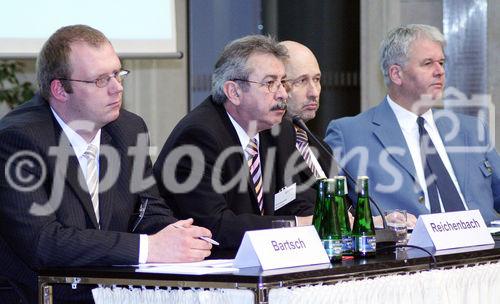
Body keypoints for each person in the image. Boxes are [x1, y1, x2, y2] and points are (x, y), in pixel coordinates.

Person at [0, 25, 212, 303]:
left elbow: (147, 209)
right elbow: (43, 242)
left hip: (112, 291)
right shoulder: (19, 139)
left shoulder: (129, 128)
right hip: (38, 295)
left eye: (117, 73)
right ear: (60, 89)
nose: (117, 88)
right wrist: (148, 248)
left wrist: (175, 235)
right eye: (101, 80)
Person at [325, 24, 500, 226]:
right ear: (396, 74)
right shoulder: (350, 134)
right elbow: (330, 214)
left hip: (485, 250)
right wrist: (377, 223)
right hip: (411, 253)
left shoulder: (470, 130)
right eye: (428, 63)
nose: (440, 71)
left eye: (442, 62)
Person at [153, 35, 315, 250]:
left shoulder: (279, 130)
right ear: (234, 92)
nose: (283, 94)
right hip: (205, 268)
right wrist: (295, 225)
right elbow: (213, 226)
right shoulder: (199, 137)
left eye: (282, 82)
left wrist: (329, 217)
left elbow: (290, 198)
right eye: (270, 83)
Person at [279, 41, 336, 184]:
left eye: (316, 79)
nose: (314, 92)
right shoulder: (264, 150)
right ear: (278, 85)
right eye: (302, 81)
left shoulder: (322, 148)